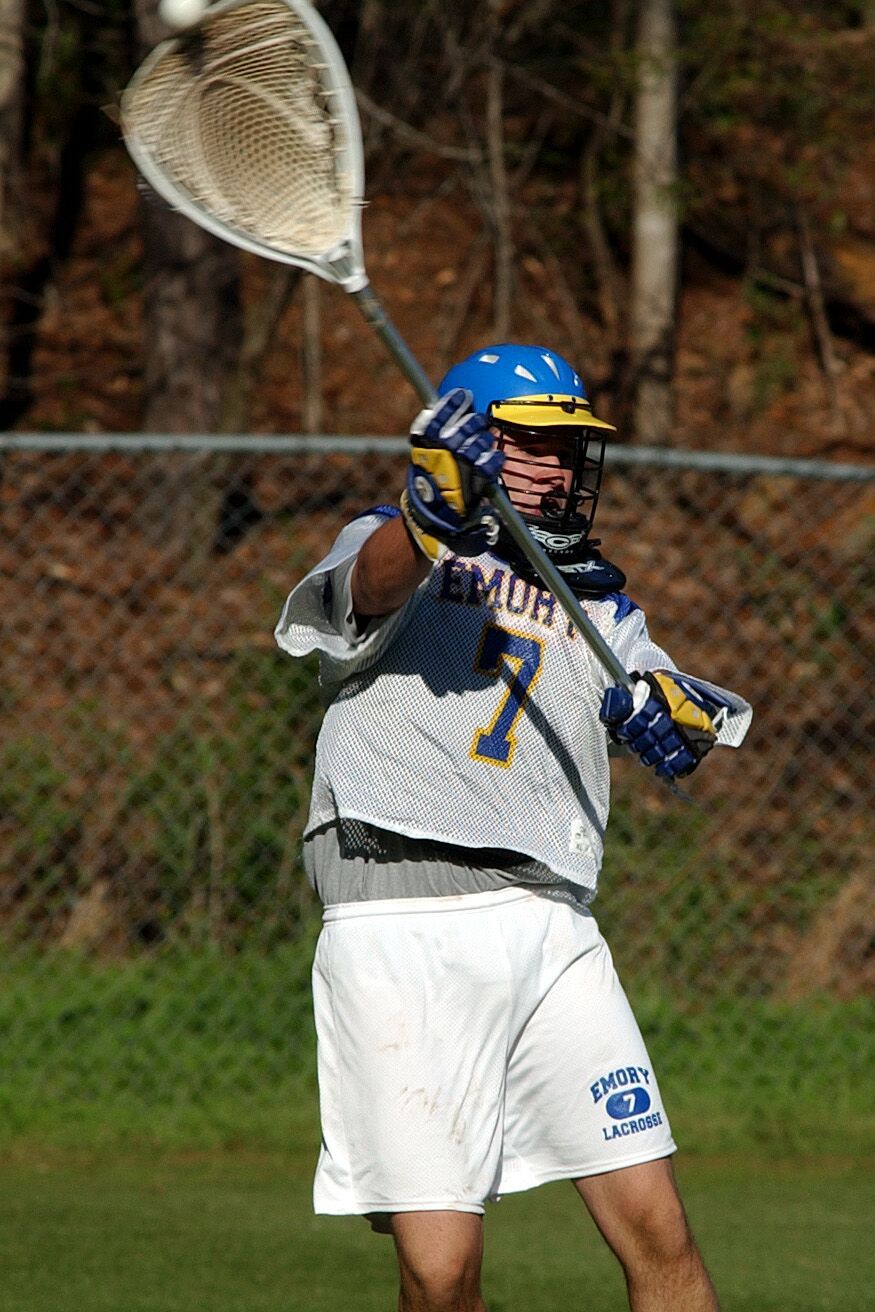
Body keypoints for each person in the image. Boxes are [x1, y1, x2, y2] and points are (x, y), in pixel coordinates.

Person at [275, 343, 751, 1312]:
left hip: (551, 923)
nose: (557, 467)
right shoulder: (394, 542)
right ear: (474, 444)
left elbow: (673, 692)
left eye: (567, 448)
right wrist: (425, 517)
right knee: (441, 1272)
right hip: (402, 916)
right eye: (531, 445)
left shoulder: (597, 600)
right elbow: (367, 586)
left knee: (658, 1230)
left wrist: (678, 709)